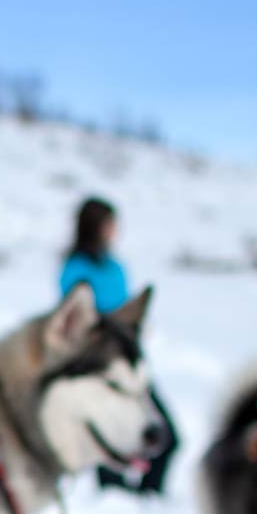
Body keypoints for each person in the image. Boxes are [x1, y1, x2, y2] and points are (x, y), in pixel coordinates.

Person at [60, 196, 179, 495]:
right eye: (110, 224)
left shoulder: (115, 267)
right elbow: (78, 318)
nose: (115, 230)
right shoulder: (76, 269)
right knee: (113, 429)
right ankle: (116, 497)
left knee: (166, 435)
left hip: (130, 360)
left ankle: (146, 495)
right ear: (95, 226)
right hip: (101, 366)